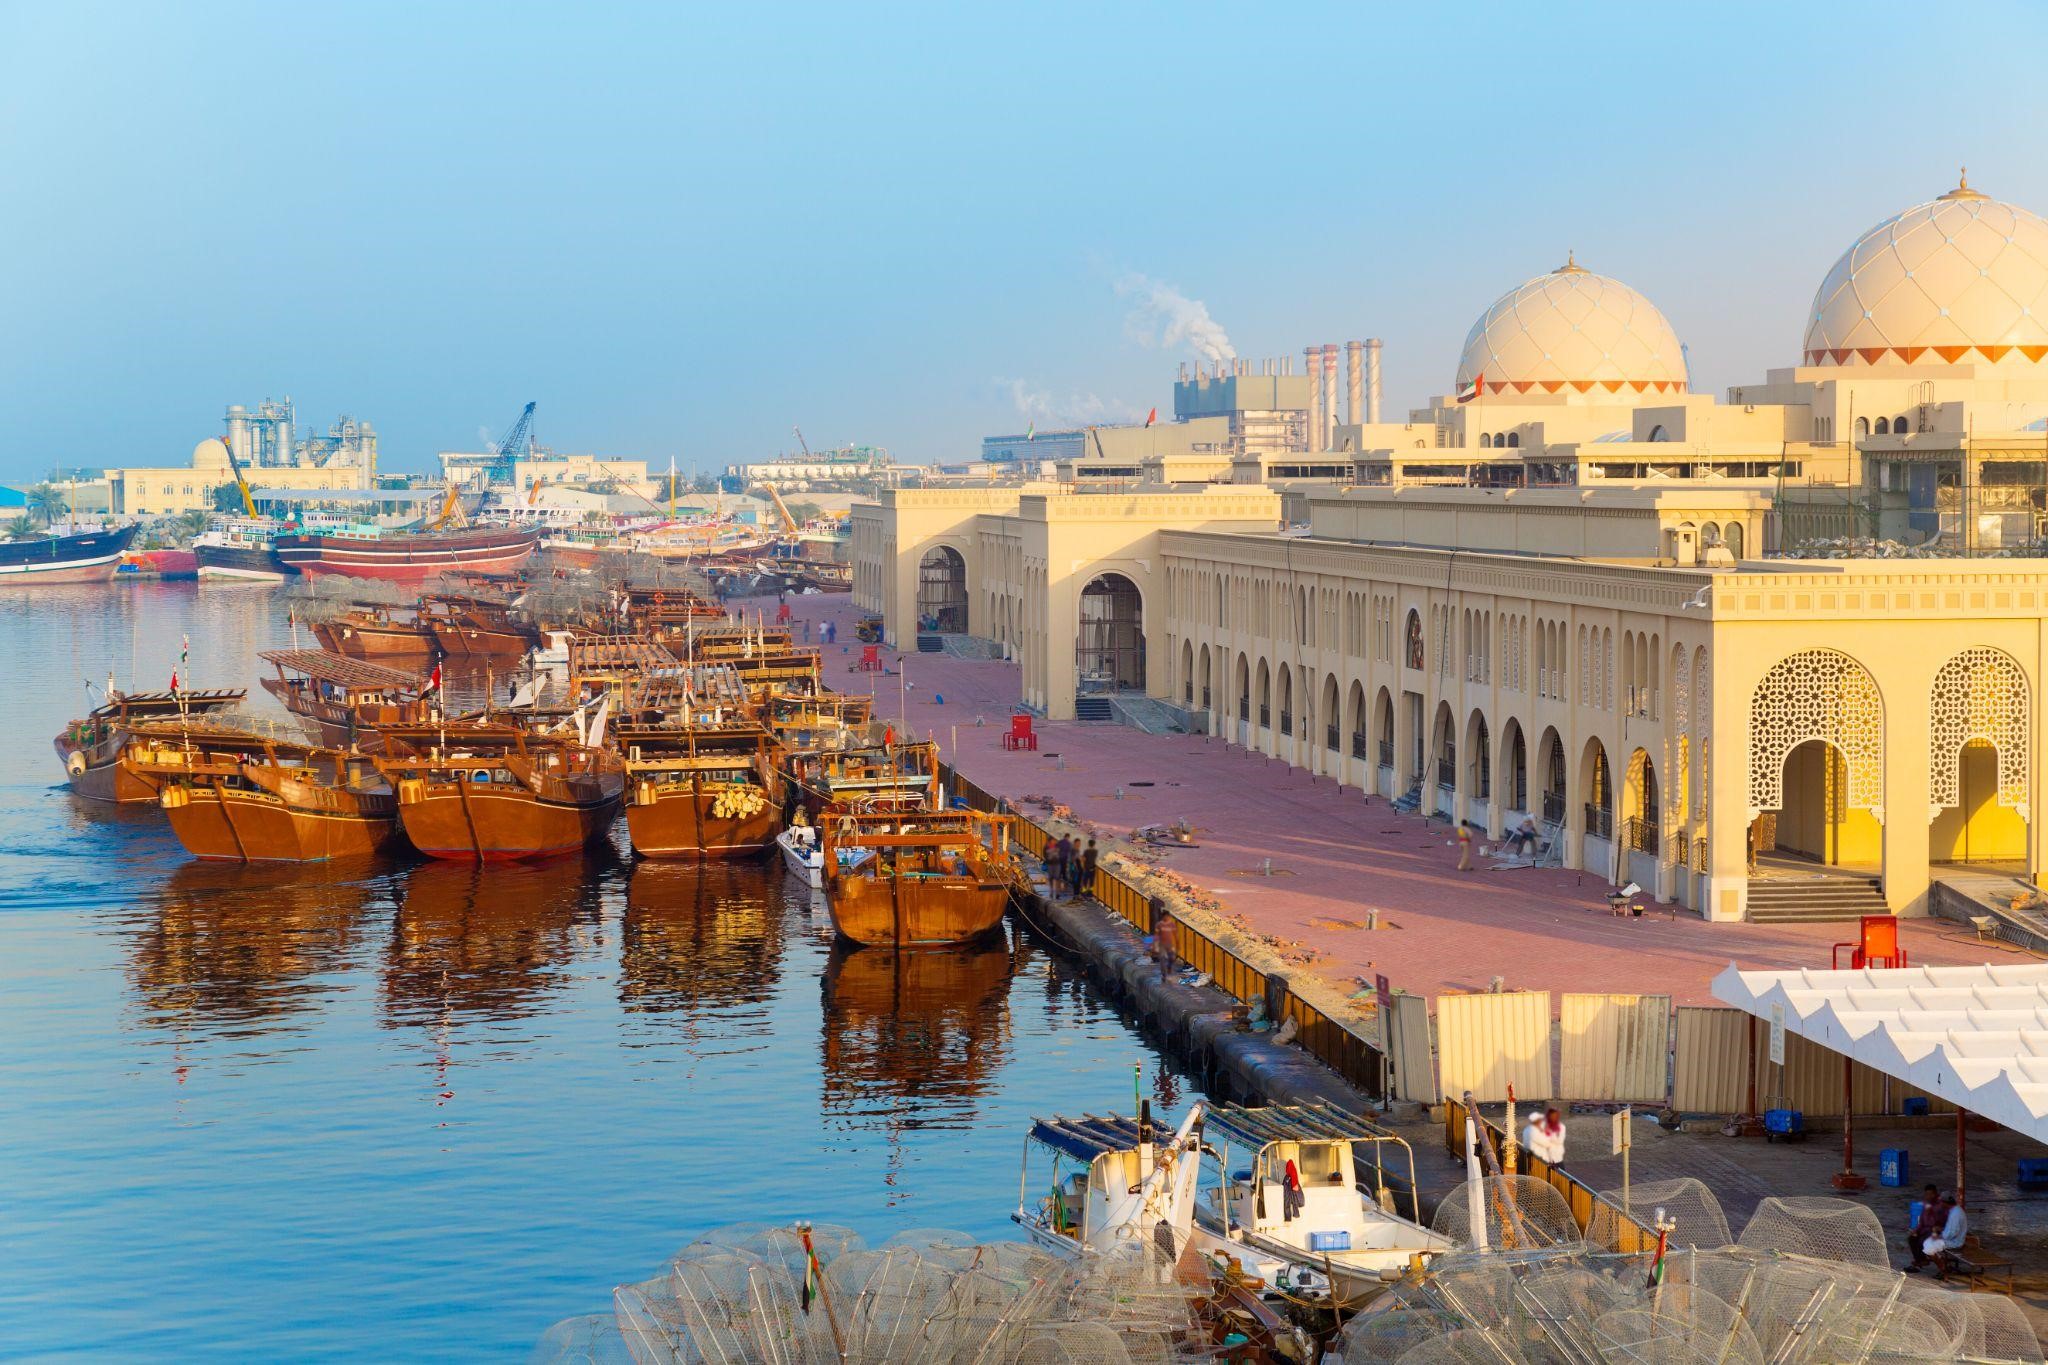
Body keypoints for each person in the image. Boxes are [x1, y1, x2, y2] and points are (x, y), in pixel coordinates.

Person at [1913, 1191, 1968, 1275]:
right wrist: (1940, 1229)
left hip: (1955, 1241)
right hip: (1952, 1237)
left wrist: (1939, 1234)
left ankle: (1942, 1268)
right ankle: (1927, 1261)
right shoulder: (1955, 1210)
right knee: (1925, 1239)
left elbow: (1950, 1234)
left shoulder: (1955, 1214)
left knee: (1928, 1246)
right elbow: (1951, 1229)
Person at [1903, 1184, 1942, 1266]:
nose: (1929, 1196)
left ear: (1935, 1194)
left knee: (1922, 1240)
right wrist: (1916, 1230)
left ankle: (1934, 1262)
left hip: (1937, 1231)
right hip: (1926, 1229)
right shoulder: (1927, 1205)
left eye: (1931, 1194)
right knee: (1912, 1238)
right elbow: (1922, 1221)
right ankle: (1920, 1260)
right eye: (1927, 1194)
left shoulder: (1940, 1205)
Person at [1152, 913, 1179, 981]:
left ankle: (1169, 967)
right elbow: (1156, 935)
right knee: (1162, 959)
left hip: (1170, 944)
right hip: (1162, 945)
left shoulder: (1172, 924)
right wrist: (1155, 946)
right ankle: (1164, 974)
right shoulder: (1159, 925)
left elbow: (1176, 935)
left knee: (1172, 958)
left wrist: (1177, 945)